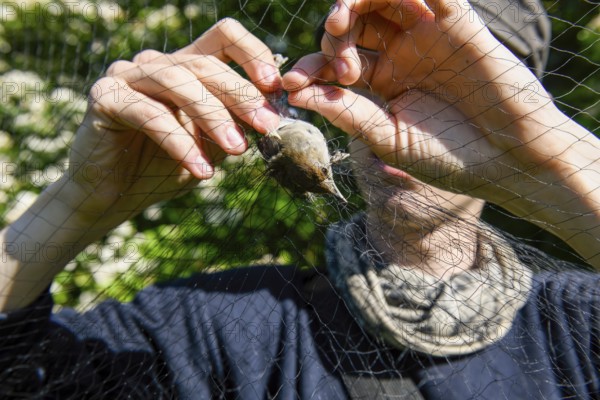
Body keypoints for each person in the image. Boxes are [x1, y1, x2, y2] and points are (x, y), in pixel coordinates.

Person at [0, 0, 598, 398]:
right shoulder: (219, 328)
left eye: (459, 86)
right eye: (376, 73)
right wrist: (75, 206)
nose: (412, 111)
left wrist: (560, 168)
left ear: (529, 110)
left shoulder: (579, 326)